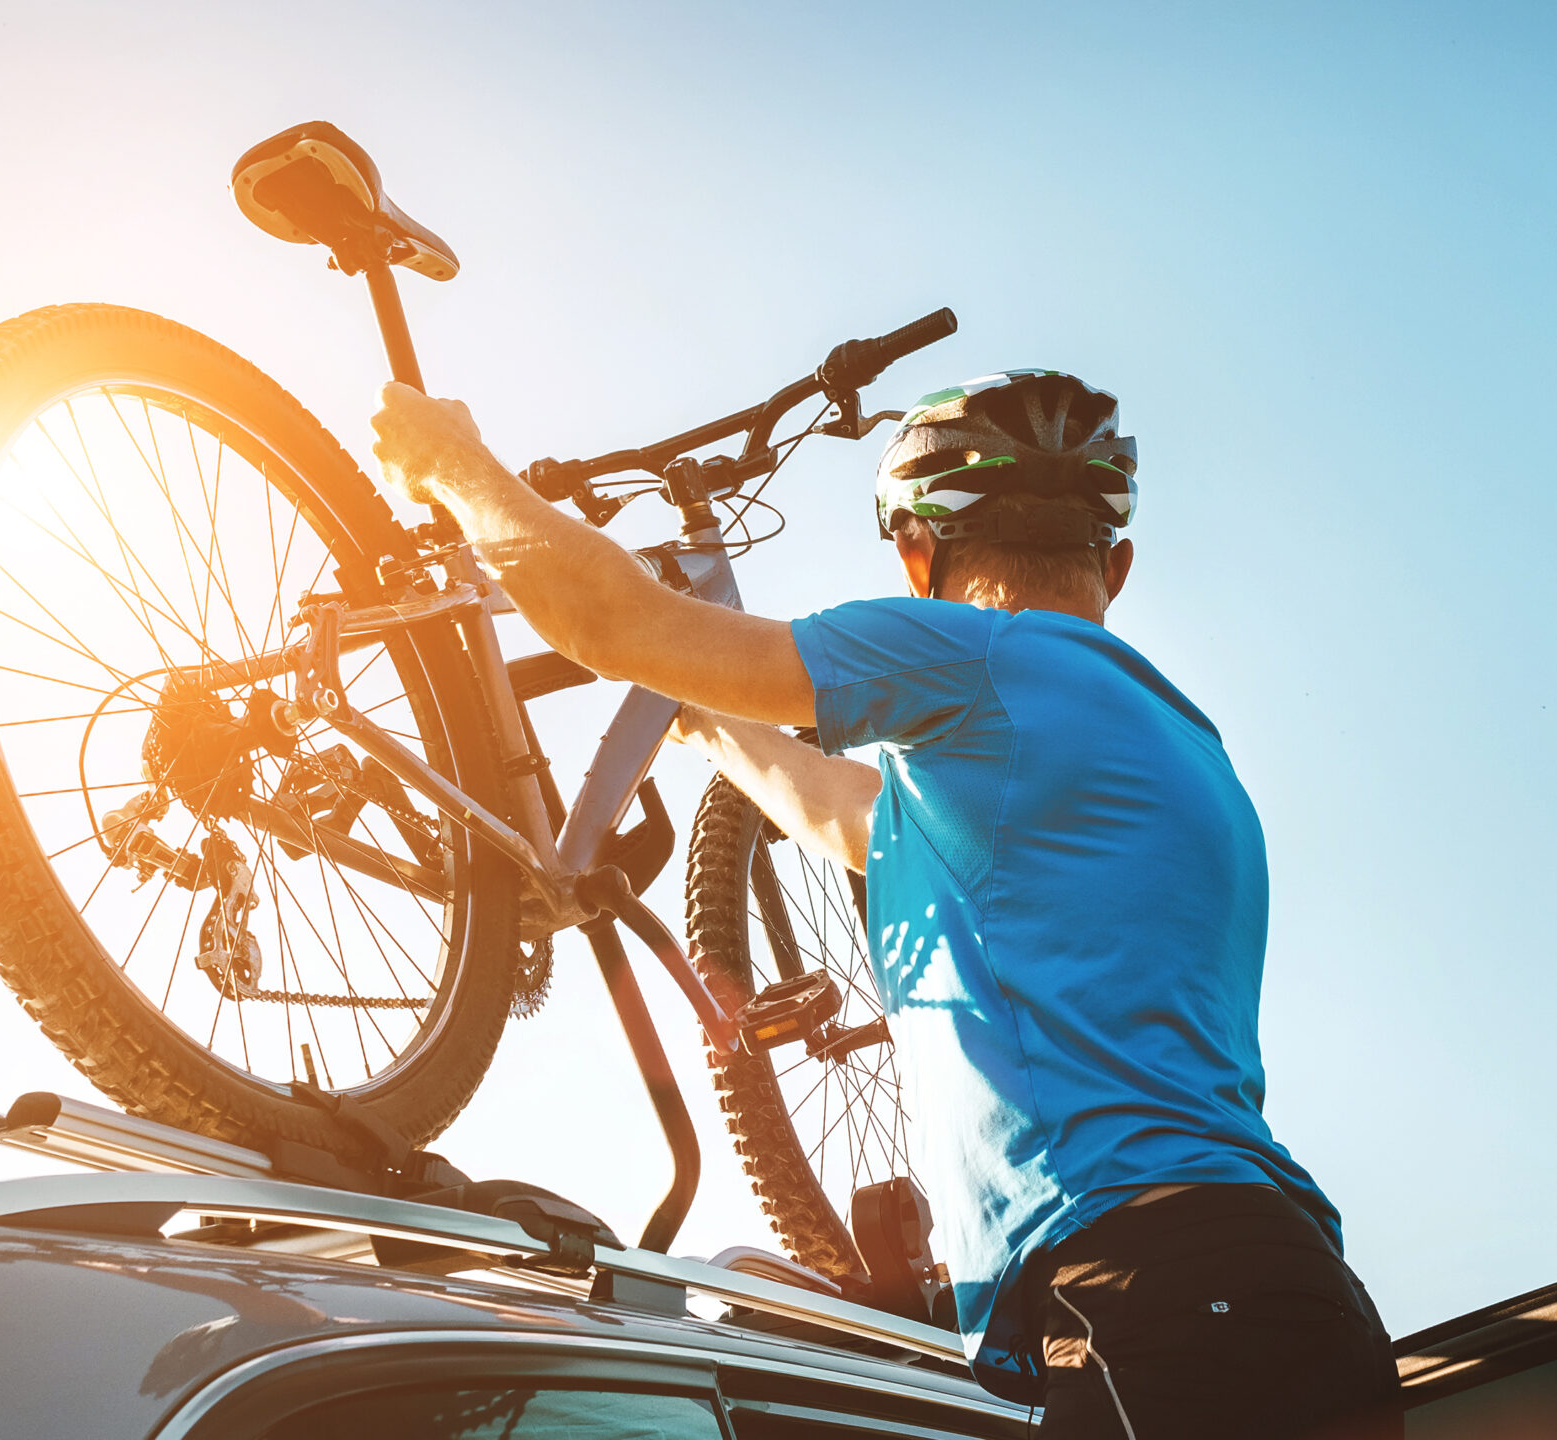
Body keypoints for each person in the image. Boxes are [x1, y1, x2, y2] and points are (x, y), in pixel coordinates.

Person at [370, 369, 1400, 1439]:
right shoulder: (1172, 748)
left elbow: (609, 618)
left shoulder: (976, 656)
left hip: (1146, 1289)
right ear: (1117, 564)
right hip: (1282, 1290)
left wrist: (452, 465)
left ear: (916, 556)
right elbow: (844, 813)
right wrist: (709, 721)